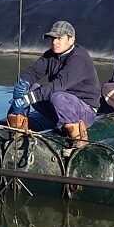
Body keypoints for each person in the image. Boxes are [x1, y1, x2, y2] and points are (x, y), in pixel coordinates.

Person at [7, 20, 100, 148]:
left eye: (59, 38)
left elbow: (58, 85)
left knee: (57, 97)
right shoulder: (51, 54)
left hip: (83, 110)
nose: (54, 42)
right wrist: (23, 83)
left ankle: (79, 140)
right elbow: (32, 71)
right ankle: (19, 130)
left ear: (71, 39)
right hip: (58, 104)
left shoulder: (79, 58)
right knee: (30, 88)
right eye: (52, 39)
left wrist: (28, 99)